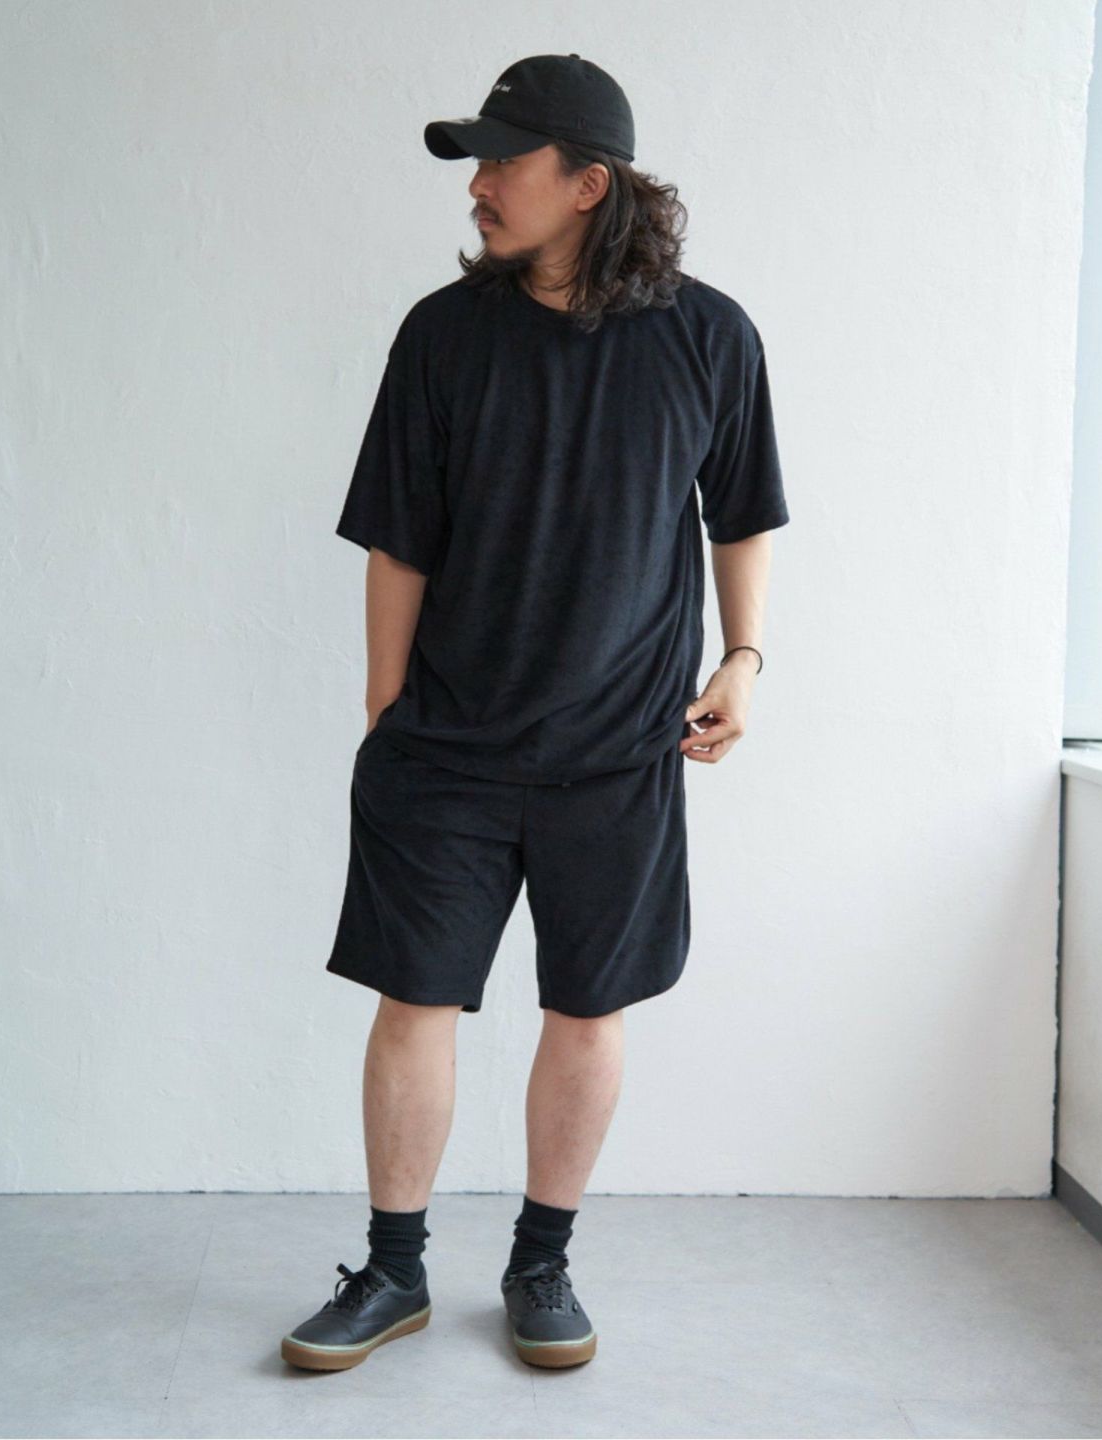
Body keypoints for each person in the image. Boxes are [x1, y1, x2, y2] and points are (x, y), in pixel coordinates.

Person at [280, 52, 789, 1374]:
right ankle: (393, 1270)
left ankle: (541, 1262)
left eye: (505, 160)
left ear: (589, 184)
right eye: (478, 161)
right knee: (414, 1001)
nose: (481, 184)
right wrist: (385, 717)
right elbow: (397, 539)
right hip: (446, 748)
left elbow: (742, 513)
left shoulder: (711, 338)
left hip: (621, 752)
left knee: (587, 1010)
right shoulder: (443, 336)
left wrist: (744, 658)